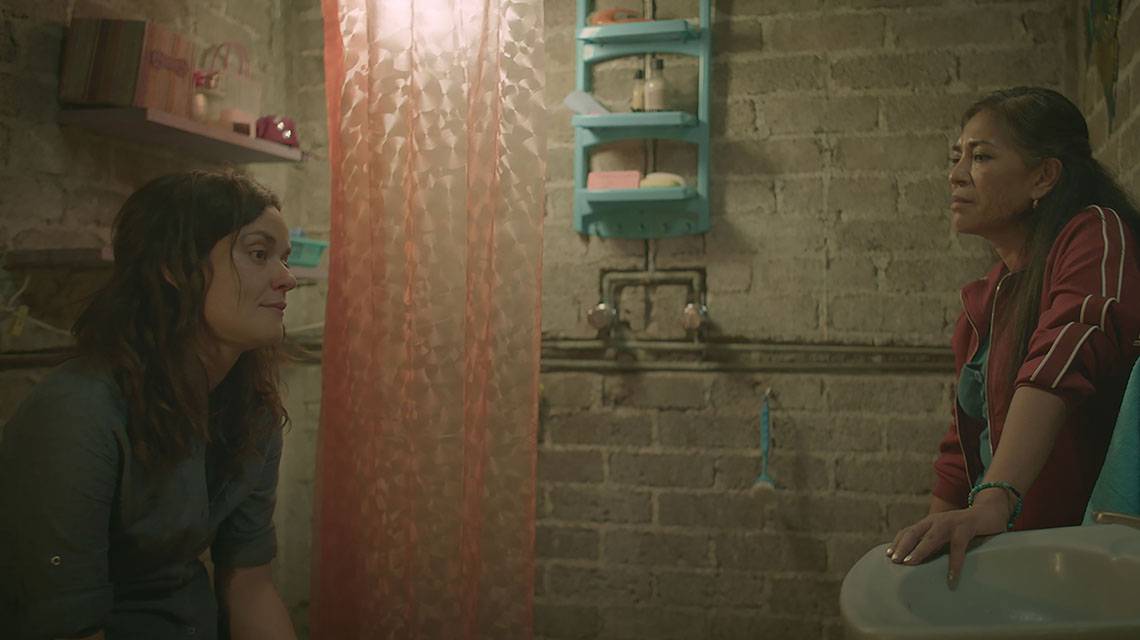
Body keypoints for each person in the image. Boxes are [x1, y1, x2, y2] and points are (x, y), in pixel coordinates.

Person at [0, 170, 299, 639]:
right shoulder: (78, 413)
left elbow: (250, 586)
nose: (288, 279)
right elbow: (65, 625)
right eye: (259, 254)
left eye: (285, 258)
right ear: (174, 267)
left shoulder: (252, 409)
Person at [889, 87, 1140, 587]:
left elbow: (1061, 360)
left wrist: (994, 498)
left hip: (1088, 562)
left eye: (981, 156)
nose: (956, 174)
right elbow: (959, 455)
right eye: (956, 157)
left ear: (1044, 176)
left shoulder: (1095, 233)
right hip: (1016, 553)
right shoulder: (984, 302)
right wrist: (921, 566)